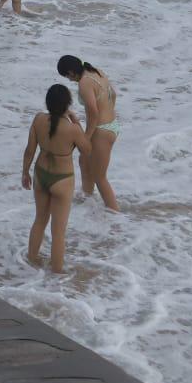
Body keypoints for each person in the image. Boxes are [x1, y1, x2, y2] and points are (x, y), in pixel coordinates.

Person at [21, 84, 91, 272]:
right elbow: (87, 150)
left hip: (40, 174)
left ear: (47, 102)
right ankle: (57, 276)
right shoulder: (72, 129)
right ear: (67, 104)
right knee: (58, 232)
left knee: (39, 220)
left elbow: (29, 150)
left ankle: (31, 261)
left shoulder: (38, 119)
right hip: (62, 179)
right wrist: (76, 121)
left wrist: (25, 172)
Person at [60, 55, 120, 211]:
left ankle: (116, 217)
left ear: (71, 72)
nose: (68, 79)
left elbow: (93, 113)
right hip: (112, 125)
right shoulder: (96, 71)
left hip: (102, 130)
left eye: (67, 76)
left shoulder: (84, 84)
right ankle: (87, 198)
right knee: (84, 161)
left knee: (100, 177)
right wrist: (109, 112)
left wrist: (86, 138)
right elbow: (113, 94)